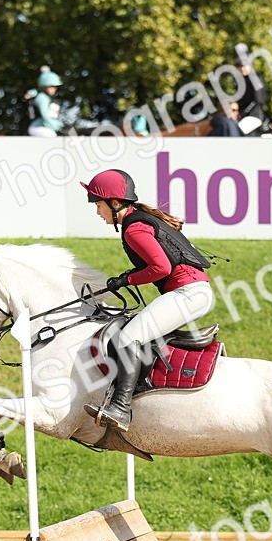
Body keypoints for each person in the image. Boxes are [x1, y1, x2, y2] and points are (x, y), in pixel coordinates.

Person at [80, 169, 215, 431]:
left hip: (189, 293)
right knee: (136, 329)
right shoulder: (138, 221)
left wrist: (126, 280)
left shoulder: (134, 229)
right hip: (192, 292)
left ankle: (119, 409)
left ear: (115, 203)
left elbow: (161, 268)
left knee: (129, 338)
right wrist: (128, 276)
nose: (97, 211)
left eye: (99, 205)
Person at [233, 44, 268, 130]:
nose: (241, 69)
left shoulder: (256, 78)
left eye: (244, 66)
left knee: (237, 130)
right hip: (243, 116)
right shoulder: (241, 80)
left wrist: (243, 113)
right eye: (239, 66)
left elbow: (258, 100)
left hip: (254, 116)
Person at [27, 67, 64, 137]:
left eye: (55, 86)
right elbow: (45, 116)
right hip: (37, 128)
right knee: (51, 136)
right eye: (52, 86)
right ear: (45, 86)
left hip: (44, 128)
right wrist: (57, 126)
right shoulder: (42, 98)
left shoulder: (48, 98)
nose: (55, 88)